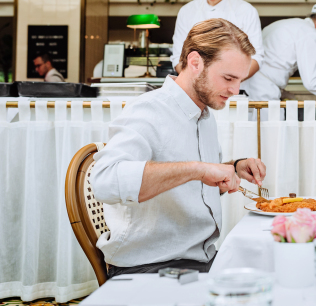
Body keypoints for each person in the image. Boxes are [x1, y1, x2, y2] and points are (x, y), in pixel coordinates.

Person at [92, 19, 267, 277]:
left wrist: (234, 168)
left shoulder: (204, 115)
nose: (235, 90)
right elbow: (104, 181)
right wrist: (198, 170)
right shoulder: (149, 109)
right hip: (151, 267)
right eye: (228, 78)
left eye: (240, 80)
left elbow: (195, 185)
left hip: (198, 260)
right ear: (195, 62)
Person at [171, 0, 264, 90]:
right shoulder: (187, 12)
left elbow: (256, 58)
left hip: (236, 91)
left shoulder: (246, 11)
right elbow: (178, 59)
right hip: (198, 91)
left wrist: (229, 81)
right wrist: (200, 83)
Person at [245, 3, 316, 101]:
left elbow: (271, 63)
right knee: (268, 121)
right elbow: (313, 81)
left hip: (249, 85)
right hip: (262, 90)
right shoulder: (310, 34)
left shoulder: (291, 25)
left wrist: (281, 92)